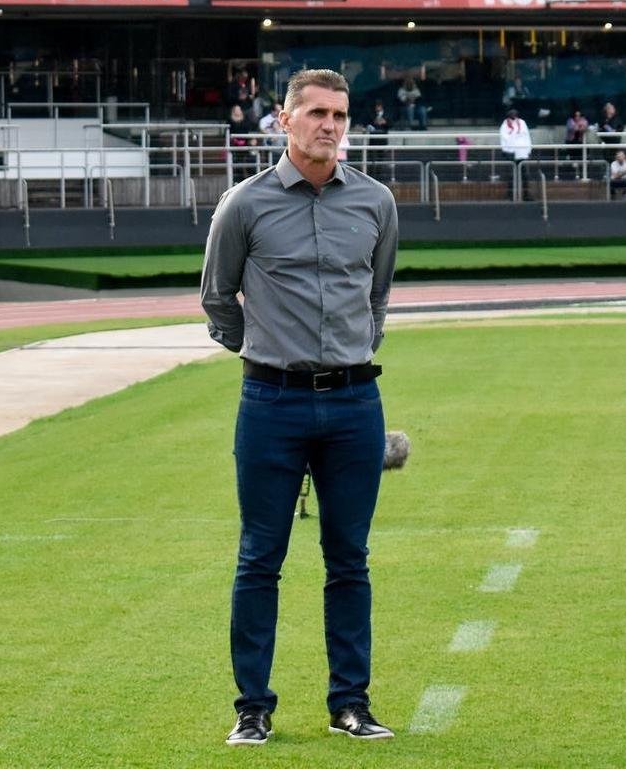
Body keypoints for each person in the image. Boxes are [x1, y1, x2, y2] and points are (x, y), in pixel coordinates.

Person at [201, 68, 399, 747]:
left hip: (354, 403)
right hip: (271, 403)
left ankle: (351, 704)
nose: (330, 125)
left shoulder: (375, 202)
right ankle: (252, 708)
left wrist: (351, 351)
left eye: (340, 115)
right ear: (284, 120)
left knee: (350, 559)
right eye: (316, 113)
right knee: (260, 556)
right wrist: (261, 352)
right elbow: (217, 299)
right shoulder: (245, 205)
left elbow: (377, 296)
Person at [564, 107, 589, 178]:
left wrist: (579, 127)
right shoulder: (570, 120)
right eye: (576, 116)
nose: (577, 117)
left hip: (581, 142)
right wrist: (579, 126)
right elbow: (572, 128)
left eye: (579, 116)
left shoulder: (584, 120)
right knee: (572, 157)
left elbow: (584, 128)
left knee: (581, 157)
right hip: (571, 141)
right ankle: (572, 173)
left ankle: (581, 173)